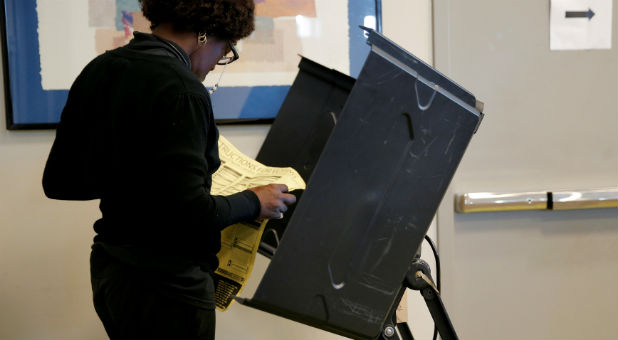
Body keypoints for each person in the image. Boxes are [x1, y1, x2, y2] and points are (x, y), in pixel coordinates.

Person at [42, 0, 296, 339]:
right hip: (169, 287)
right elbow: (192, 214)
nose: (213, 66)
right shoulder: (183, 90)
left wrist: (137, 175)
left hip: (112, 273)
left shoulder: (101, 68)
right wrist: (255, 201)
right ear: (206, 33)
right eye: (225, 50)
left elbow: (61, 182)